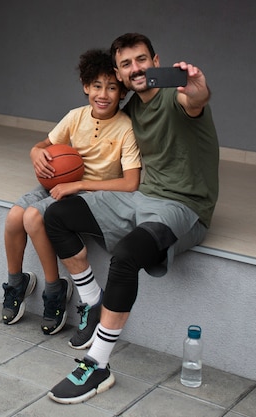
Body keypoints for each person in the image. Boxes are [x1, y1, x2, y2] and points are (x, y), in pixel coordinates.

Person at [45, 33, 219, 403]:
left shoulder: (178, 96)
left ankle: (97, 364)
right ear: (120, 75)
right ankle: (93, 300)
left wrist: (199, 89)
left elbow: (195, 101)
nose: (135, 68)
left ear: (156, 60)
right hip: (142, 199)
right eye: (126, 64)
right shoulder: (133, 111)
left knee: (126, 256)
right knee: (57, 214)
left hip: (183, 206)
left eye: (141, 60)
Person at [1, 48, 142, 336]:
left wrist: (78, 185)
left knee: (32, 217)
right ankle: (16, 282)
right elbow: (43, 144)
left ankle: (55, 290)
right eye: (97, 86)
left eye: (112, 87)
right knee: (14, 217)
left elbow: (130, 183)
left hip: (89, 193)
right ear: (85, 86)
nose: (103, 94)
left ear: (123, 92)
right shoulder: (75, 117)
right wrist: (35, 152)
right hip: (60, 182)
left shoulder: (126, 128)